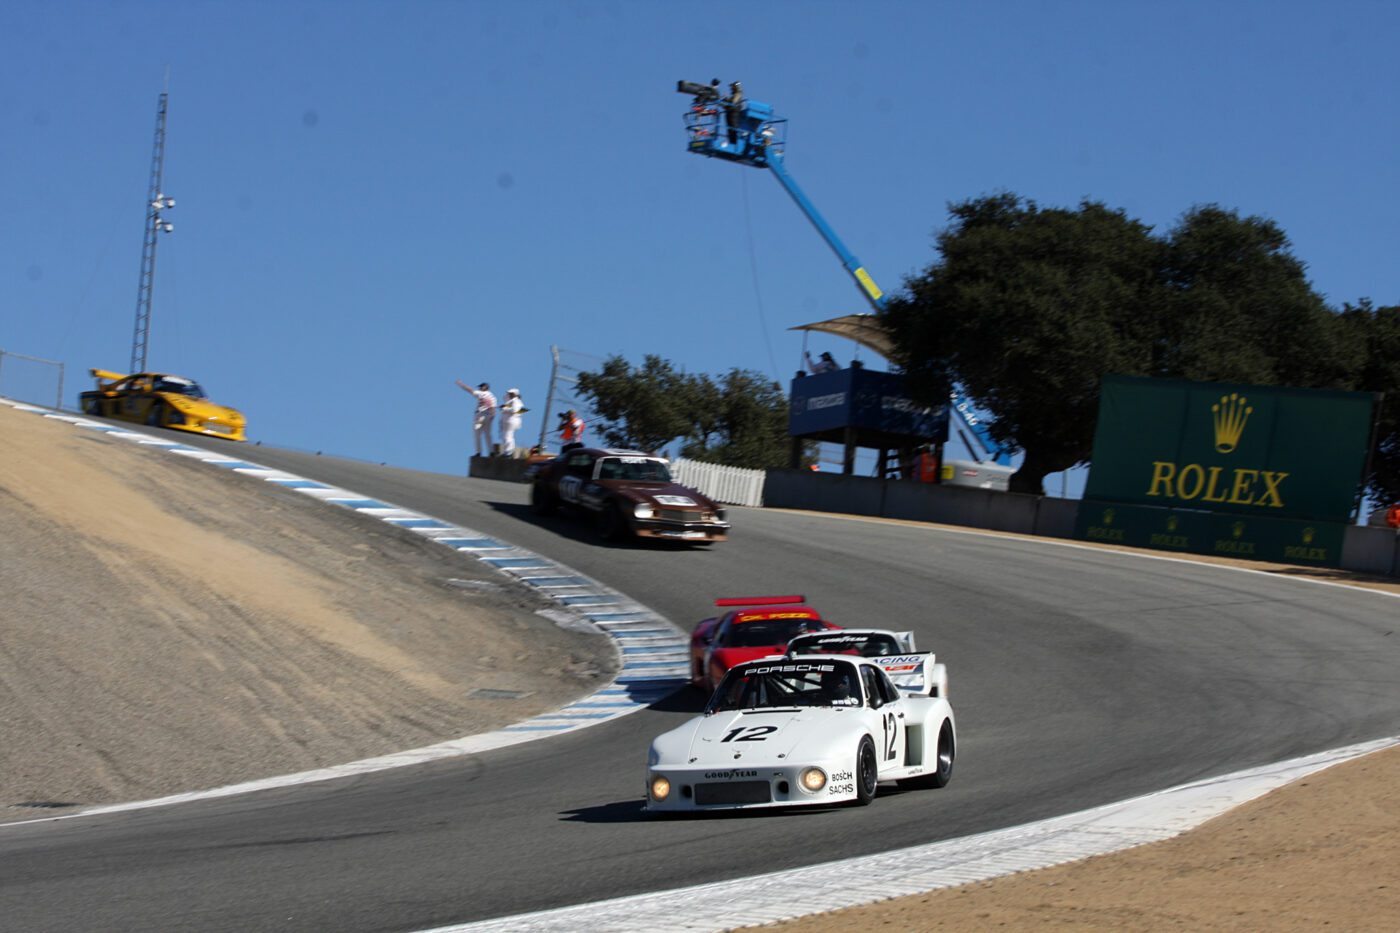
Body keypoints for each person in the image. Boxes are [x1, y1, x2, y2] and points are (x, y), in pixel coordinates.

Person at [455, 379, 497, 457]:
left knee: (477, 434)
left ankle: (478, 452)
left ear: (485, 387)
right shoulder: (493, 397)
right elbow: (493, 409)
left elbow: (469, 390)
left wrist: (461, 384)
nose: (479, 388)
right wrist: (492, 416)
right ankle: (491, 452)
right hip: (488, 416)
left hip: (480, 416)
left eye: (481, 387)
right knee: (488, 435)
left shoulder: (481, 393)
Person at [499, 388, 526, 457]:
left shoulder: (516, 401)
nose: (509, 394)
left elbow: (514, 410)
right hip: (508, 420)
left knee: (508, 436)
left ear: (515, 394)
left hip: (511, 420)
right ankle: (507, 451)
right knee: (507, 436)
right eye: (509, 393)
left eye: (511, 393)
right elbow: (505, 398)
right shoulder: (512, 401)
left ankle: (509, 452)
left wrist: (505, 408)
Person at [724, 81, 744, 145]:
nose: (731, 88)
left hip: (734, 113)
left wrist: (726, 100)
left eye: (732, 87)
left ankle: (734, 142)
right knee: (730, 129)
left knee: (733, 127)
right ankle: (731, 142)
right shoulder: (734, 95)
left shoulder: (738, 94)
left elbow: (733, 102)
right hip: (730, 113)